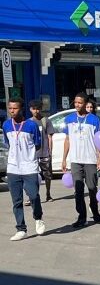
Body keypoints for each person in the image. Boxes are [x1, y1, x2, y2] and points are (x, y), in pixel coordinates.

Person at [4, 97, 45, 240]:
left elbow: (38, 144)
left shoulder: (31, 125)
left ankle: (38, 218)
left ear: (21, 109)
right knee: (16, 201)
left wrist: (29, 156)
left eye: (15, 108)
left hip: (29, 167)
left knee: (34, 196)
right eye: (10, 108)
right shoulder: (6, 125)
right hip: (13, 168)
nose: (12, 111)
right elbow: (8, 142)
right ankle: (21, 229)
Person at [62, 92, 100, 228]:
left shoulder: (94, 120)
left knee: (92, 188)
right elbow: (67, 139)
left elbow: (99, 141)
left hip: (90, 159)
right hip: (75, 160)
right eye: (75, 102)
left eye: (80, 102)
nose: (77, 104)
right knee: (78, 190)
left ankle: (95, 210)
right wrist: (64, 159)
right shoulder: (69, 119)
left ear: (85, 103)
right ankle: (82, 217)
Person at [29, 99, 54, 202]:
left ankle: (48, 194)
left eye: (38, 109)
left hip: (44, 153)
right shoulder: (28, 122)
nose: (36, 111)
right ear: (30, 109)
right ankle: (33, 196)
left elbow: (49, 137)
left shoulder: (46, 120)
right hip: (33, 154)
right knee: (33, 176)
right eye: (34, 109)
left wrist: (50, 151)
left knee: (47, 175)